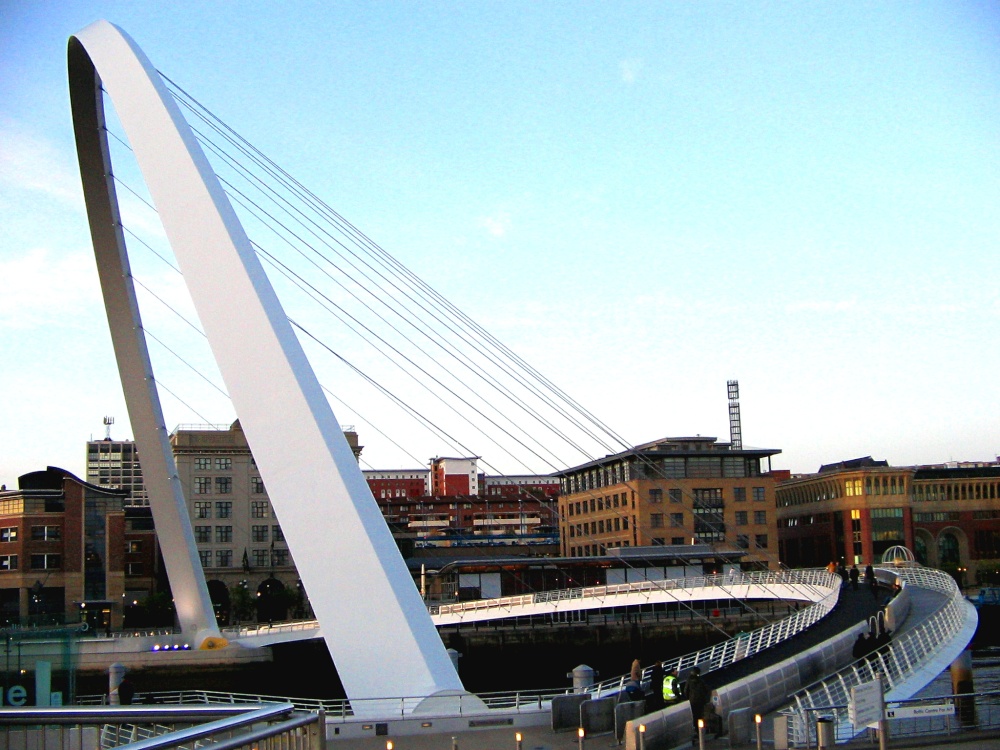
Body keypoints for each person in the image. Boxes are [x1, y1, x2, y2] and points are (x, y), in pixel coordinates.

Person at [685, 667, 711, 736]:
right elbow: (707, 690)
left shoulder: (689, 681)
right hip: (701, 701)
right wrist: (706, 699)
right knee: (701, 715)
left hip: (693, 701)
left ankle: (696, 730)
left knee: (694, 716)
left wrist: (688, 699)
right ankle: (702, 730)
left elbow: (686, 691)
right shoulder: (700, 680)